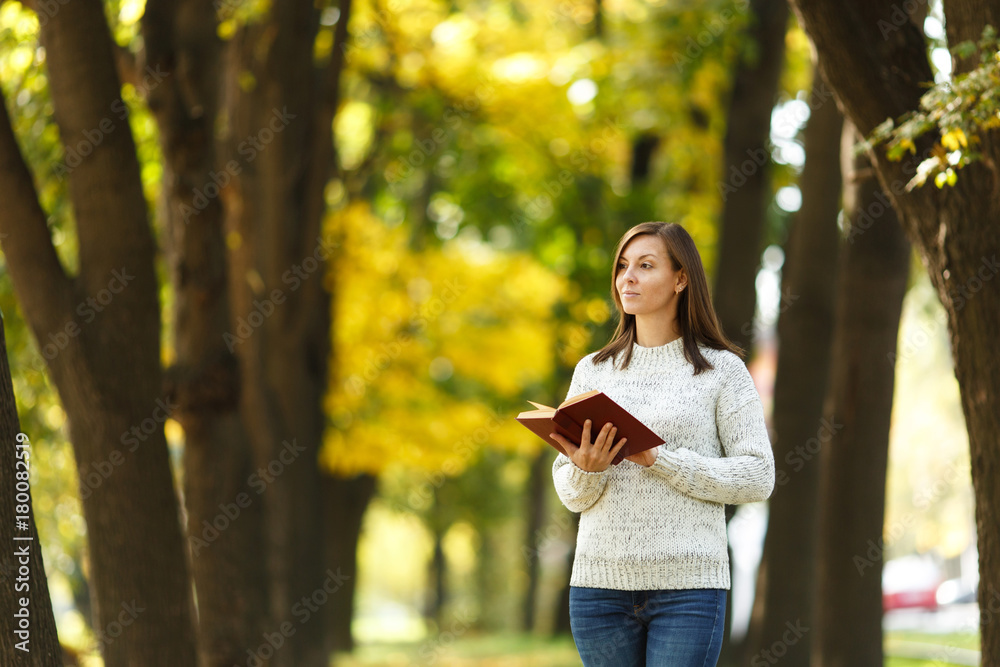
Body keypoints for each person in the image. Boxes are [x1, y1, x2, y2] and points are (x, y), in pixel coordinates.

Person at [549, 221, 775, 667]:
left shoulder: (722, 371)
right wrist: (585, 468)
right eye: (623, 266)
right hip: (599, 589)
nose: (627, 278)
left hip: (689, 589)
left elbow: (758, 476)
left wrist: (660, 459)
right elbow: (572, 495)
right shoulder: (592, 371)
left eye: (645, 266)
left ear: (680, 279)